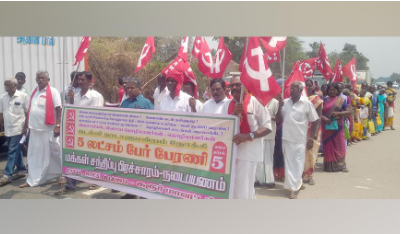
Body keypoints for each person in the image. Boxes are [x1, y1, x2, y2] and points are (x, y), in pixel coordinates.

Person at [55, 71, 104, 195]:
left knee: (91, 158)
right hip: (77, 132)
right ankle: (70, 184)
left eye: (83, 80)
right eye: (79, 80)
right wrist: (71, 100)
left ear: (89, 82)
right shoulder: (75, 95)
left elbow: (95, 116)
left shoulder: (95, 96)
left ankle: (96, 181)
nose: (80, 82)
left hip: (90, 132)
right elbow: (72, 111)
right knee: (74, 157)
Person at [228, 76, 271, 199]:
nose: (235, 87)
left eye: (238, 84)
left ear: (246, 86)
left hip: (248, 153)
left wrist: (248, 136)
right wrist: (234, 113)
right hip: (231, 153)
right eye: (232, 85)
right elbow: (224, 125)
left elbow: (267, 127)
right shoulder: (228, 104)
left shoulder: (256, 102)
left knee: (243, 186)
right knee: (238, 187)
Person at [19, 70, 62, 188]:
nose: (40, 80)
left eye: (43, 78)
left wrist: (58, 125)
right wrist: (25, 126)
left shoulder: (53, 91)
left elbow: (59, 109)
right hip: (34, 129)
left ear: (48, 80)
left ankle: (64, 173)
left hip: (48, 129)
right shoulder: (34, 92)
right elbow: (29, 111)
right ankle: (33, 179)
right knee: (34, 156)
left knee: (54, 152)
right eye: (38, 78)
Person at [280, 81, 319, 199]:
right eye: (291, 88)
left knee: (297, 163)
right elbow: (278, 118)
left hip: (299, 139)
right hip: (286, 138)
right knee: (288, 163)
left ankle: (293, 189)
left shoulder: (306, 103)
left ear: (301, 91)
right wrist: (278, 106)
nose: (292, 90)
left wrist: (312, 138)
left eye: (295, 88)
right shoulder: (285, 102)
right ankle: (297, 182)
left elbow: (315, 120)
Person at [119, 77, 154, 199]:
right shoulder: (124, 103)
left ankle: (144, 194)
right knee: (129, 168)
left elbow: (153, 123)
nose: (129, 90)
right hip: (127, 142)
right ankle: (131, 192)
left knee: (143, 169)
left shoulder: (146, 103)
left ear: (139, 89)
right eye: (127, 88)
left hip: (142, 143)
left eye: (132, 87)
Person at [0, 77, 29, 187]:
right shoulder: (3, 97)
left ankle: (7, 175)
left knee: (11, 151)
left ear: (15, 86)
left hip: (18, 128)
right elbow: (1, 114)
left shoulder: (23, 96)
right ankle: (21, 169)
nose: (6, 87)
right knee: (17, 150)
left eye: (8, 85)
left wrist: (25, 128)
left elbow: (27, 113)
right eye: (5, 85)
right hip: (8, 129)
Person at [321, 83, 350, 173]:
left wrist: (338, 113)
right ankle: (329, 165)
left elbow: (348, 112)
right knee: (328, 145)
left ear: (337, 91)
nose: (332, 91)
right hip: (326, 125)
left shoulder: (341, 100)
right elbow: (318, 112)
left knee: (339, 144)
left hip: (338, 125)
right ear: (327, 91)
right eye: (330, 90)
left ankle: (341, 165)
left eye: (334, 90)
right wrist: (325, 118)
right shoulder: (323, 100)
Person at [255, 94, 279, 188]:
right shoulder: (256, 101)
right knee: (258, 157)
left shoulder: (275, 103)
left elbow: (279, 118)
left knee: (268, 158)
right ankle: (257, 179)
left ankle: (269, 179)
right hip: (257, 134)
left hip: (269, 134)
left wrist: (267, 117)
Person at [302, 79, 323, 186]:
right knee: (302, 152)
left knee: (311, 152)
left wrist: (314, 133)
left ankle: (309, 175)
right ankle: (300, 174)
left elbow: (318, 117)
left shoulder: (317, 99)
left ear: (313, 86)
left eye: (310, 85)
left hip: (313, 128)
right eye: (306, 85)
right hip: (302, 128)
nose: (308, 87)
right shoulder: (300, 98)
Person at [273, 79, 285, 181]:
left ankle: (281, 173)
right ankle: (274, 172)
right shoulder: (270, 101)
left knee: (281, 150)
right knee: (273, 150)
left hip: (282, 128)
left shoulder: (286, 101)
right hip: (272, 128)